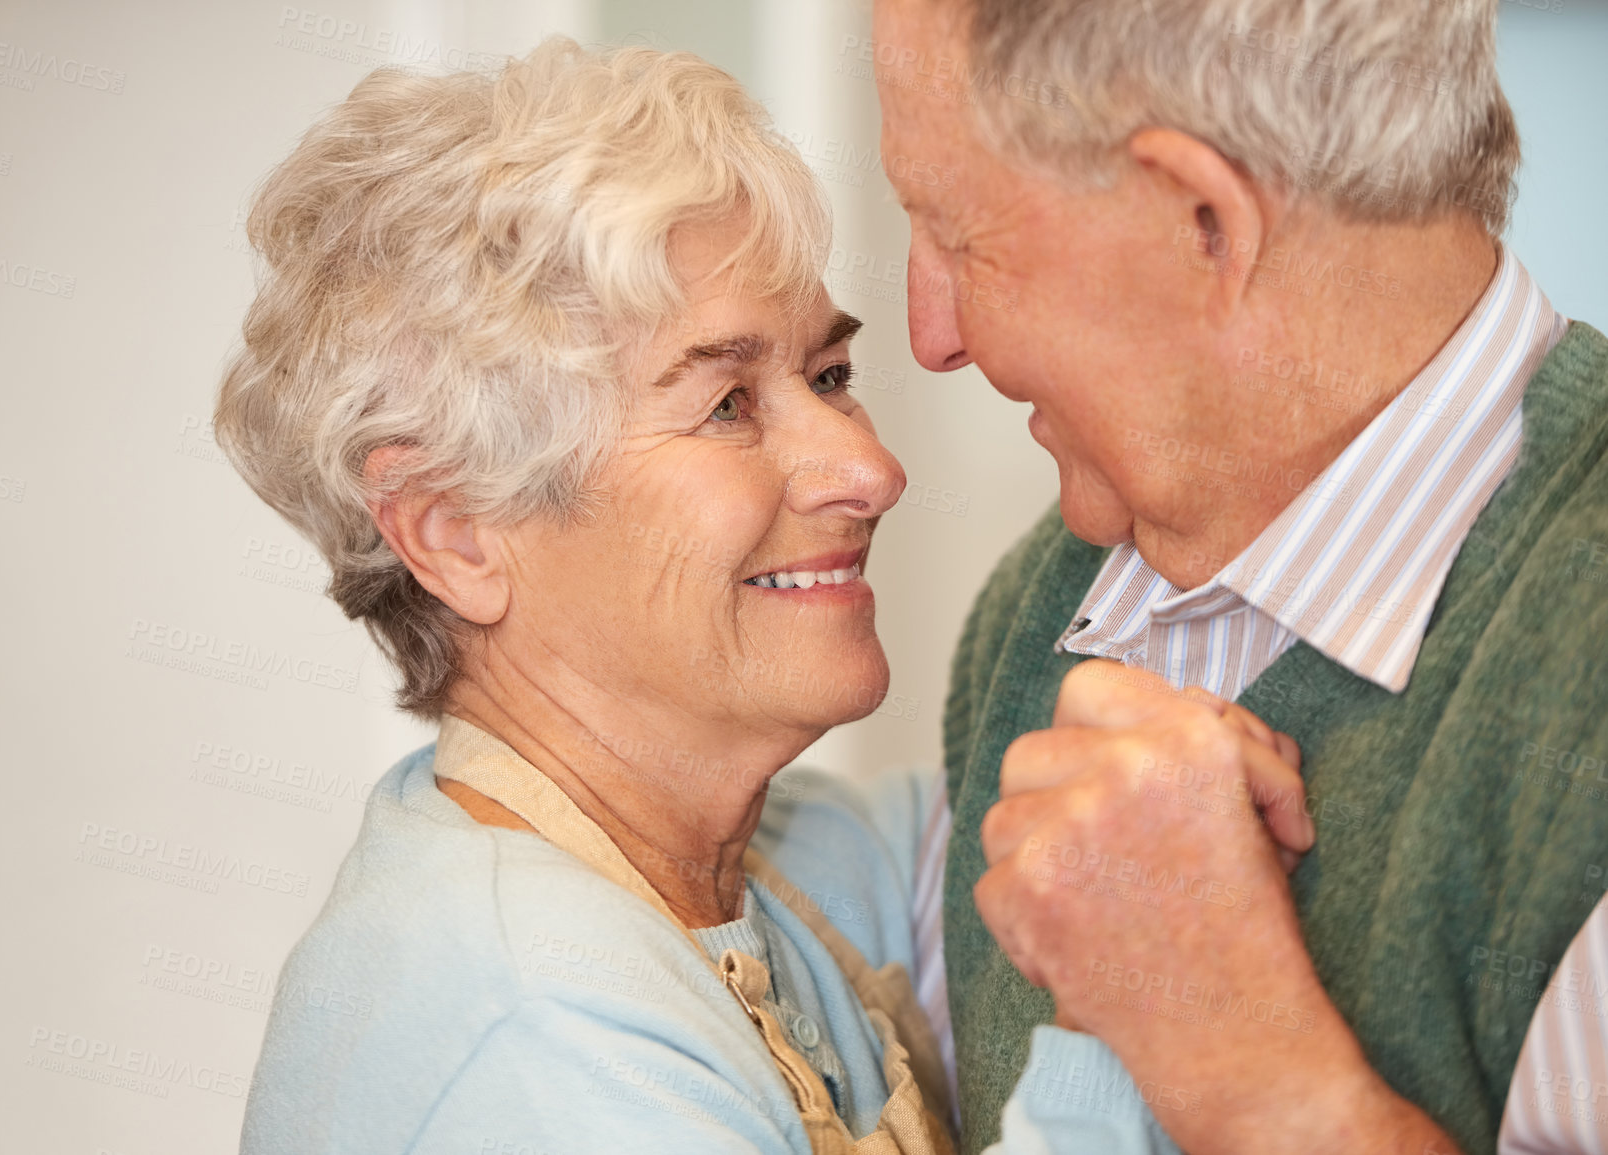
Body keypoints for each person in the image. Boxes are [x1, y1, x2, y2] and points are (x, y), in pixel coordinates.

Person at [215, 38, 1312, 1155]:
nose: (869, 472)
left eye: (829, 378)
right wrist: (1112, 1019)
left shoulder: (793, 866)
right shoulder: (532, 1028)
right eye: (729, 405)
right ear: (454, 533)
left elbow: (1082, 819)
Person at [871, 0, 1608, 1152]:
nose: (932, 334)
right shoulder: (1039, 614)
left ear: (1201, 220)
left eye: (959, 238)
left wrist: (1250, 1070)